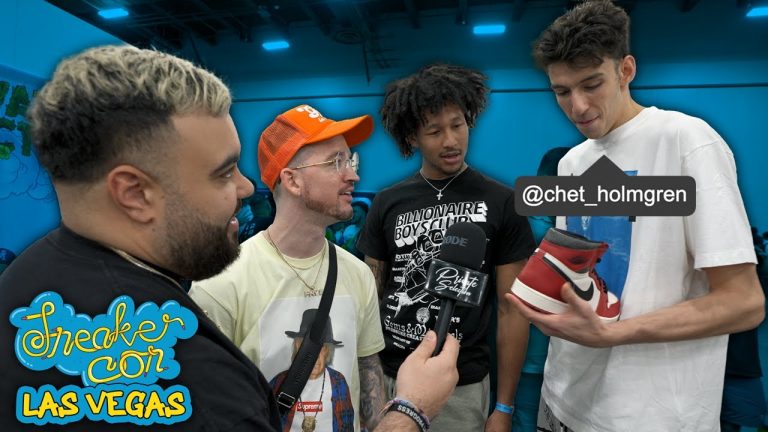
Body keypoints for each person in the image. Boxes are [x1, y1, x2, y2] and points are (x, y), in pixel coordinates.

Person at [0, 45, 459, 432]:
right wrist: (412, 409)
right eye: (223, 172)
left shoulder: (24, 285)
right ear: (134, 193)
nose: (245, 188)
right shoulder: (194, 372)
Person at [509, 1, 766, 431]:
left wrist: (614, 333)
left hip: (649, 414)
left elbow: (744, 302)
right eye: (562, 91)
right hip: (564, 399)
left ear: (626, 69)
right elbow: (582, 273)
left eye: (592, 84)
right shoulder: (572, 163)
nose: (578, 106)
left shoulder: (688, 142)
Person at [357, 63, 535, 432]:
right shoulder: (388, 201)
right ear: (413, 137)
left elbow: (511, 310)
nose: (451, 140)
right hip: (388, 376)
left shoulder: (502, 201)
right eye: (434, 131)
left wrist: (504, 406)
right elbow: (369, 295)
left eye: (458, 125)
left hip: (461, 384)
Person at [189, 104, 387, 431]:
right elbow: (206, 403)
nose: (353, 175)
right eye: (336, 162)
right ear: (292, 180)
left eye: (350, 161)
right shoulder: (222, 283)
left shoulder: (358, 273)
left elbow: (367, 367)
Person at [270, 309, 355, 432]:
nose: (314, 356)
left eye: (321, 347)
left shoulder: (338, 382)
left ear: (328, 351)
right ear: (298, 345)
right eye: (307, 345)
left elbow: (347, 425)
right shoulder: (279, 382)